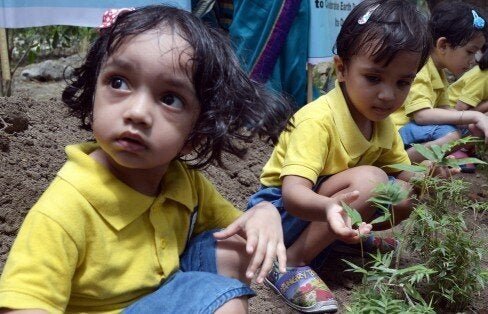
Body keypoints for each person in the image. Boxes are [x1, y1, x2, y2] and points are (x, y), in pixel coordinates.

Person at [0, 5, 293, 314]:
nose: (137, 113)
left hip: (161, 291)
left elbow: (236, 228)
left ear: (195, 134)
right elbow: (23, 304)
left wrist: (263, 212)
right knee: (224, 300)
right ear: (92, 96)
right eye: (118, 82)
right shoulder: (67, 207)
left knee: (236, 249)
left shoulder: (182, 181)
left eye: (170, 99)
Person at [245, 0, 443, 312]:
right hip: (281, 214)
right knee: (373, 181)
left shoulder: (381, 121)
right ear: (341, 69)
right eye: (374, 78)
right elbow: (293, 193)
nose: (388, 95)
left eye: (402, 82)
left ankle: (334, 242)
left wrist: (431, 177)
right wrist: (332, 209)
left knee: (402, 195)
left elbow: (402, 172)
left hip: (325, 208)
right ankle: (290, 263)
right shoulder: (317, 120)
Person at [390, 1, 488, 166]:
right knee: (451, 135)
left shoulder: (438, 70)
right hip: (398, 132)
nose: (472, 61)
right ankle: (399, 164)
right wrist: (474, 115)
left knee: (467, 128)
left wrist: (473, 122)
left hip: (414, 131)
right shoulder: (420, 67)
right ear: (443, 45)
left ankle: (424, 162)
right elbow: (422, 115)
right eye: (469, 52)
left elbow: (444, 108)